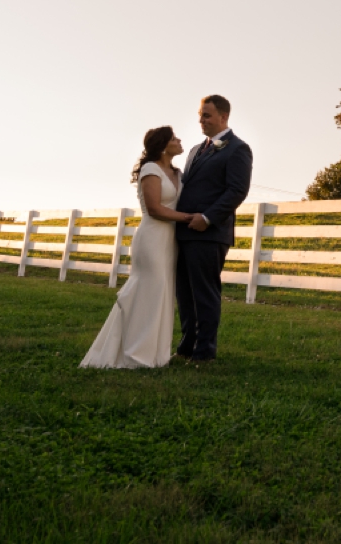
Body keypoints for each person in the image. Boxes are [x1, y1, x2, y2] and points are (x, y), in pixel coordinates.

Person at [81, 126, 197, 369]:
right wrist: (189, 218)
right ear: (164, 145)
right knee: (148, 291)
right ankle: (135, 353)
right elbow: (154, 208)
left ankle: (157, 355)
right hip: (152, 238)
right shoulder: (150, 169)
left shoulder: (178, 172)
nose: (179, 140)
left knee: (163, 293)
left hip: (170, 241)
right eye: (174, 138)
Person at [173, 94, 253, 362]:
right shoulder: (196, 150)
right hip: (184, 231)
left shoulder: (237, 148)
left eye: (206, 115)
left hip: (209, 234)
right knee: (184, 292)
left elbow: (237, 191)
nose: (201, 120)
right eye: (200, 115)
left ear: (223, 117)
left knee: (204, 293)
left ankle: (205, 350)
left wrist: (206, 218)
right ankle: (187, 344)